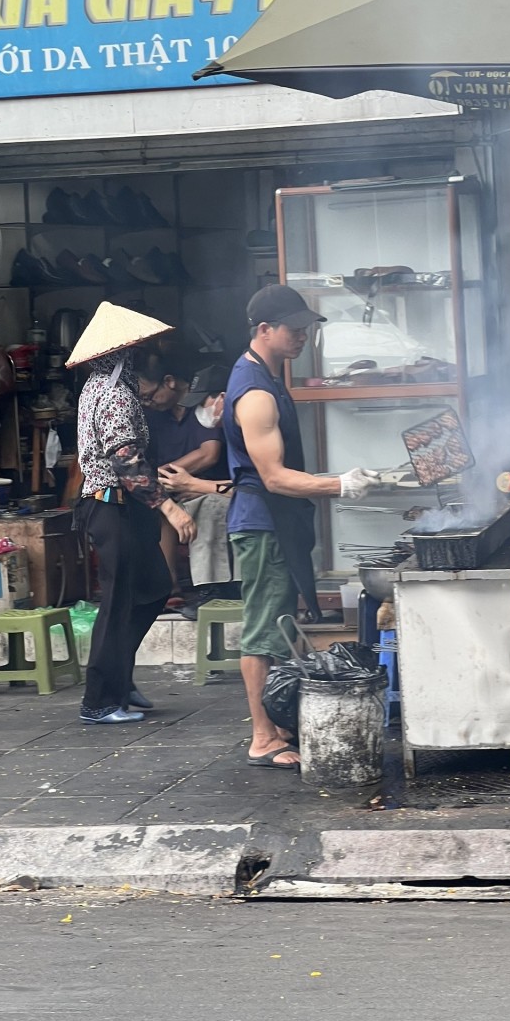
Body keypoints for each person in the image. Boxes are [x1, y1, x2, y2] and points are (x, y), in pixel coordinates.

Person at [224, 285, 378, 769]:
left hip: (274, 520)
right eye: (294, 329)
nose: (303, 337)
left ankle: (278, 724)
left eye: (307, 329)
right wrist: (340, 486)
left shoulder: (267, 377)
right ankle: (262, 736)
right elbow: (272, 476)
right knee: (262, 631)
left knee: (279, 623)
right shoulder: (254, 392)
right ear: (264, 330)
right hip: (262, 522)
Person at [69, 302, 197, 725]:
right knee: (120, 601)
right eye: (139, 347)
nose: (145, 352)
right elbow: (126, 462)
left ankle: (118, 677)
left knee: (155, 587)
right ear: (124, 351)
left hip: (120, 507)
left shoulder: (105, 387)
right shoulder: (113, 394)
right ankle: (100, 700)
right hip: (110, 504)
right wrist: (171, 509)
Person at [136, 350, 226, 606]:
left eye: (150, 396)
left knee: (198, 506)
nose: (148, 403)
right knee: (158, 509)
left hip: (210, 486)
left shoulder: (204, 405)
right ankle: (169, 587)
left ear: (170, 381)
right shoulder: (154, 416)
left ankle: (209, 590)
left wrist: (159, 474)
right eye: (143, 399)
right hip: (171, 488)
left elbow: (209, 455)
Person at [157, 365, 237, 612]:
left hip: (243, 501)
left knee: (209, 506)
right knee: (166, 508)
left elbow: (248, 487)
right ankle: (167, 588)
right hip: (222, 491)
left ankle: (211, 591)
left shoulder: (249, 429)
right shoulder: (230, 426)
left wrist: (199, 486)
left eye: (204, 402)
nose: (201, 412)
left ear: (222, 397)